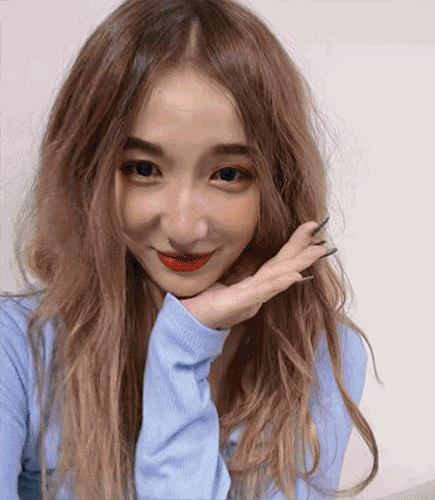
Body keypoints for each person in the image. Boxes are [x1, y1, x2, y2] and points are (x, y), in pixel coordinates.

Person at [0, 0, 384, 498]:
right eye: (143, 169)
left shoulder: (315, 354)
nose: (184, 227)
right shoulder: (17, 351)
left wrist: (180, 353)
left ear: (278, 184)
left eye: (228, 174)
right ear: (87, 172)